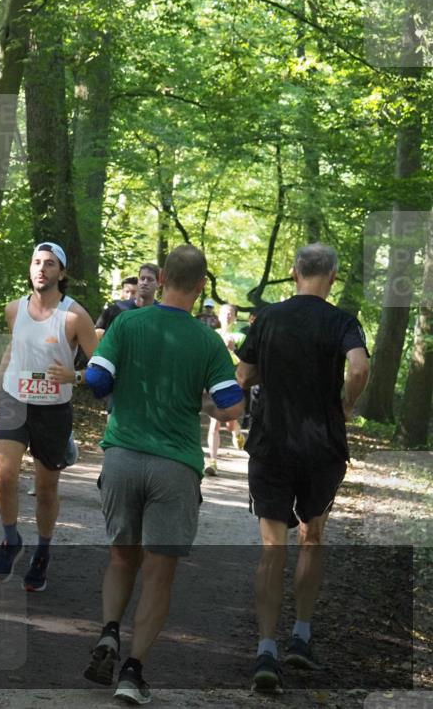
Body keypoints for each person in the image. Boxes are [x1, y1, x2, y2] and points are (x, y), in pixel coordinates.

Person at [81, 245, 244, 704]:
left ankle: (109, 632)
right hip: (175, 466)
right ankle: (132, 673)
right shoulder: (208, 340)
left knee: (120, 556)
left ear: (164, 276)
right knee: (158, 573)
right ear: (199, 287)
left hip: (122, 459)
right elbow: (231, 404)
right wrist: (202, 400)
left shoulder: (127, 323)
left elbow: (96, 381)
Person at [236, 243, 369, 693]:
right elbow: (358, 366)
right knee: (313, 537)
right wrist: (347, 403)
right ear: (331, 275)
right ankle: (302, 636)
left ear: (294, 273)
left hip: (271, 445)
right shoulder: (342, 321)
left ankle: (266, 650)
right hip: (322, 449)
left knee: (272, 547)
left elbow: (242, 375)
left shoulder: (267, 318)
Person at [0, 242, 97, 592]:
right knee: (5, 476)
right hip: (15, 400)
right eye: (35, 262)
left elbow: (101, 366)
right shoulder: (13, 309)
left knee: (46, 490)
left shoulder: (75, 316)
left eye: (49, 264)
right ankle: (10, 540)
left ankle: (43, 550)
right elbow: (15, 345)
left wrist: (75, 377)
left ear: (61, 273)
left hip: (54, 410)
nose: (41, 269)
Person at [205, 303, 246, 476]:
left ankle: (236, 431)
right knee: (214, 422)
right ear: (218, 316)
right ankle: (212, 461)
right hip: (213, 381)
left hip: (233, 381)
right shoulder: (211, 335)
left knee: (229, 421)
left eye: (231, 313)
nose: (227, 316)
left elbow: (245, 363)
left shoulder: (241, 337)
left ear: (235, 318)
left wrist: (232, 350)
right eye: (224, 313)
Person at [95, 264, 159, 344]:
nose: (145, 282)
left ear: (158, 284)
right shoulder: (117, 309)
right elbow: (97, 333)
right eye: (142, 278)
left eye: (150, 279)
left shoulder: (161, 313)